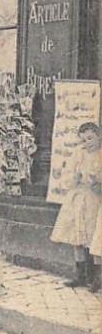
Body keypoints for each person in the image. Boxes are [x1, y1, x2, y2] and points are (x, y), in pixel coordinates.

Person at [50, 122, 102, 290]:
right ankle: (80, 274)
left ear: (99, 136)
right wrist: (76, 176)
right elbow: (67, 178)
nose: (88, 143)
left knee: (95, 236)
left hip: (96, 199)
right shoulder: (78, 155)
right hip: (79, 197)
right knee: (76, 235)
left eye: (90, 138)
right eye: (84, 140)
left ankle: (97, 276)